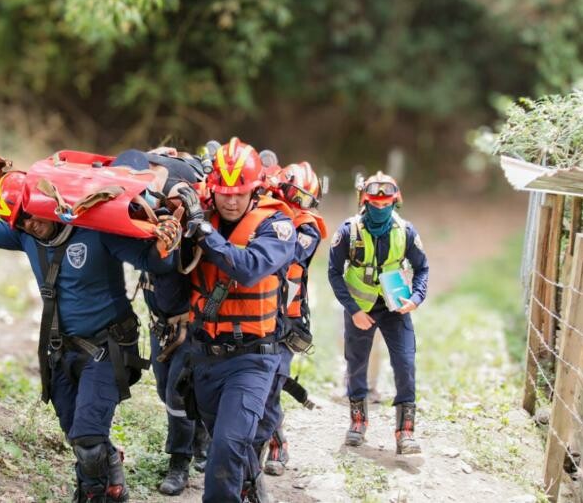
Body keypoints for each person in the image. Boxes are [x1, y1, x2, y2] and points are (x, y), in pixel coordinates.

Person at [0, 155, 182, 502]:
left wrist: (168, 242)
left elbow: (153, 261)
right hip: (61, 351)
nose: (28, 226)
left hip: (108, 348)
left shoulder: (96, 231)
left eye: (30, 217)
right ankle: (109, 473)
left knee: (86, 437)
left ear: (45, 204)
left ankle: (95, 494)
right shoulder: (25, 235)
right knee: (78, 435)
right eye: (19, 223)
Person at [177, 138, 297, 503]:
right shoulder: (196, 217)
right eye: (224, 192)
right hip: (205, 357)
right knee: (229, 444)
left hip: (252, 358)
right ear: (213, 190)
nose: (231, 200)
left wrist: (203, 231)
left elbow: (248, 269)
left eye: (240, 193)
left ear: (256, 189)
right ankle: (250, 488)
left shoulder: (278, 226)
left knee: (226, 448)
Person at [113, 149, 211, 497]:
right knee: (163, 387)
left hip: (188, 320)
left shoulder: (178, 197)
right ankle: (199, 435)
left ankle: (179, 464)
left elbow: (180, 263)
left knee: (177, 391)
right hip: (160, 321)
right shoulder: (133, 208)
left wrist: (172, 233)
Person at [327, 171, 429, 454]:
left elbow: (422, 269)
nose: (380, 209)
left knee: (405, 363)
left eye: (386, 205)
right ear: (364, 201)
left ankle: (405, 431)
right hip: (360, 307)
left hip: (394, 307)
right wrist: (354, 310)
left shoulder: (406, 231)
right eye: (374, 204)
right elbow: (334, 273)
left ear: (396, 202)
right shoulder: (348, 231)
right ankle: (357, 422)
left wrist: (417, 298)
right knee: (356, 364)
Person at [255, 162, 328, 476]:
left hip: (286, 320)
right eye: (295, 197)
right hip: (254, 313)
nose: (300, 205)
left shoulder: (307, 230)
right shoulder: (261, 212)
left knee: (272, 385)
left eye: (307, 201)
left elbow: (283, 258)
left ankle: (274, 442)